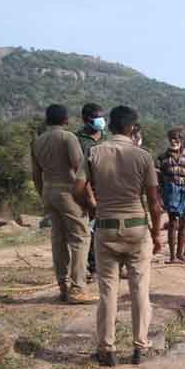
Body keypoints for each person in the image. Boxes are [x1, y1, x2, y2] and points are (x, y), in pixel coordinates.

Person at [72, 105, 162, 367]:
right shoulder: (143, 156)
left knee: (107, 292)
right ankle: (140, 348)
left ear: (110, 126)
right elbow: (154, 204)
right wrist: (157, 235)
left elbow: (77, 189)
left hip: (106, 227)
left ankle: (106, 350)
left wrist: (93, 208)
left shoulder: (94, 152)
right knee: (139, 291)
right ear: (132, 127)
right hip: (136, 228)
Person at [31, 103, 94, 304]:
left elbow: (35, 175)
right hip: (68, 192)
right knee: (80, 238)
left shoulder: (37, 141)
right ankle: (77, 289)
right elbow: (80, 170)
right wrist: (90, 198)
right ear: (65, 120)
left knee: (58, 239)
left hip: (49, 192)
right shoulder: (68, 138)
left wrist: (44, 195)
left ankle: (63, 287)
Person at [157, 127, 185, 264]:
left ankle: (181, 254)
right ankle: (172, 256)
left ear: (181, 140)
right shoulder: (163, 157)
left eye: (176, 138)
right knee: (173, 223)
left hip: (184, 189)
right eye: (171, 138)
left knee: (184, 222)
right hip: (171, 191)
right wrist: (161, 196)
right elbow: (160, 180)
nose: (174, 141)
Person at [76, 103, 105, 279]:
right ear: (86, 119)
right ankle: (92, 266)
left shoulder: (106, 138)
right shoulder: (77, 139)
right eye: (97, 117)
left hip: (106, 189)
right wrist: (90, 197)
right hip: (85, 189)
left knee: (106, 229)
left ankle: (106, 265)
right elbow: (79, 171)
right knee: (88, 231)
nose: (101, 121)